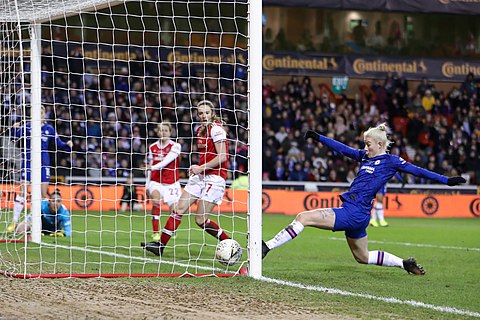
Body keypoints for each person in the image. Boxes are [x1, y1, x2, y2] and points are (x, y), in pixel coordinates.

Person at [262, 124, 466, 275]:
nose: (365, 148)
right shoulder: (365, 157)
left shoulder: (391, 161)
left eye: (368, 144)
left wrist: (446, 180)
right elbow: (343, 149)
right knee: (363, 257)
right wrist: (319, 138)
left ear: (379, 144)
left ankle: (267, 247)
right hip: (358, 213)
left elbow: (418, 171)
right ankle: (404, 264)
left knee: (303, 217)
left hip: (354, 212)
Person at [142, 100, 230, 256]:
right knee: (178, 209)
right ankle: (160, 246)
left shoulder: (217, 130)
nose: (204, 116)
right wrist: (197, 168)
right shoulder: (200, 130)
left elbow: (222, 156)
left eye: (207, 113)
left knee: (200, 220)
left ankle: (228, 243)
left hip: (215, 178)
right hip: (201, 175)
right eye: (201, 113)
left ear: (212, 113)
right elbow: (206, 155)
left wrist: (200, 167)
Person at [8, 106, 73, 233]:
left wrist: (68, 146)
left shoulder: (49, 129)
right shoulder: (26, 127)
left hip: (43, 164)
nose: (39, 114)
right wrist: (13, 129)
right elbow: (15, 137)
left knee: (43, 195)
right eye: (37, 112)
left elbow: (58, 144)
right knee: (23, 191)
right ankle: (14, 222)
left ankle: (38, 222)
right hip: (28, 162)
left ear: (44, 114)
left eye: (41, 112)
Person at [144, 122, 181, 241]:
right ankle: (155, 232)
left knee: (175, 210)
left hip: (172, 182)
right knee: (155, 200)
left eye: (166, 130)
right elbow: (149, 165)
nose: (163, 132)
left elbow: (165, 162)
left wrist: (153, 167)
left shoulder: (176, 146)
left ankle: (171, 230)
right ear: (157, 132)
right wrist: (147, 184)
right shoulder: (152, 147)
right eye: (161, 130)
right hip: (156, 181)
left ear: (170, 132)